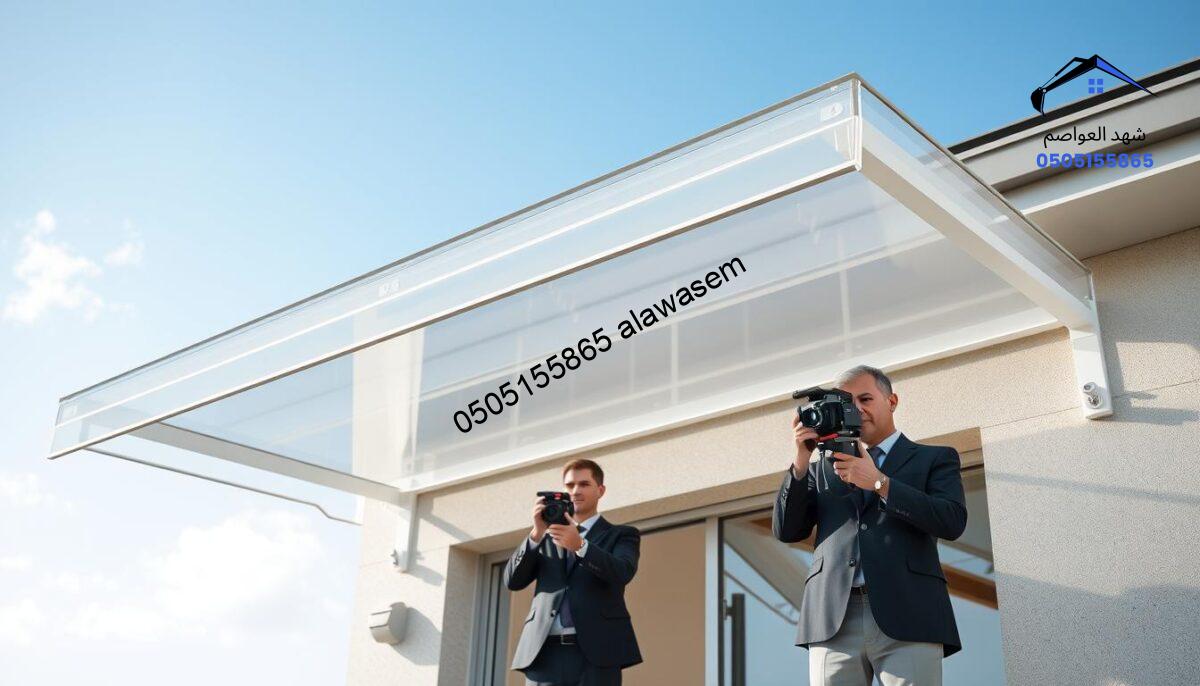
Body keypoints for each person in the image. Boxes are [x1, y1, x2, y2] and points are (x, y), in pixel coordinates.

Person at [773, 365, 968, 686]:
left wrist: (880, 483)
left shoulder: (934, 458)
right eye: (847, 402)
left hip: (910, 612)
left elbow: (951, 520)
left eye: (865, 398)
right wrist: (800, 461)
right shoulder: (821, 467)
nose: (857, 409)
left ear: (891, 401)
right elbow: (787, 530)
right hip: (832, 616)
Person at [504, 458, 642, 686]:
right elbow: (512, 581)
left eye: (584, 484)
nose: (576, 491)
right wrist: (536, 534)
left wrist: (580, 546)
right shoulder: (545, 538)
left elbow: (622, 572)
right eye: (570, 486)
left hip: (597, 655)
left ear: (600, 490)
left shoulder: (622, 535)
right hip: (543, 653)